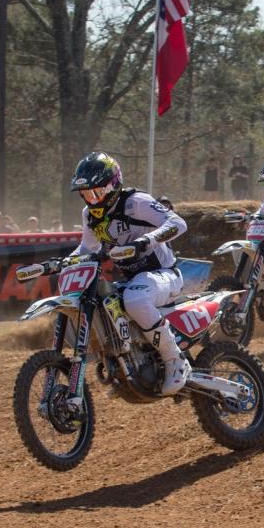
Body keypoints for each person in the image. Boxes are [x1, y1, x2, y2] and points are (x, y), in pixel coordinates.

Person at [69, 151, 192, 395]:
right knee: (105, 303)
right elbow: (87, 249)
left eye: (96, 192)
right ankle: (128, 367)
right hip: (132, 280)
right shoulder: (90, 216)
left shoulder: (136, 202)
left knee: (134, 299)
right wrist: (64, 262)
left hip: (164, 274)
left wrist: (147, 241)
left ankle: (176, 361)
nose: (91, 200)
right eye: (85, 194)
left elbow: (178, 223)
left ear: (112, 185)